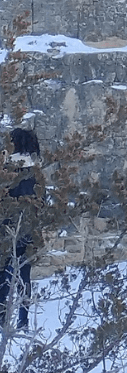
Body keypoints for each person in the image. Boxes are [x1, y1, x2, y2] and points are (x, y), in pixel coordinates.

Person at [0, 128, 41, 330]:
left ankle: (1, 318)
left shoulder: (11, 169)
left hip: (8, 229)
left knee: (5, 275)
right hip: (28, 229)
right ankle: (23, 321)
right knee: (23, 276)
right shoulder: (35, 169)